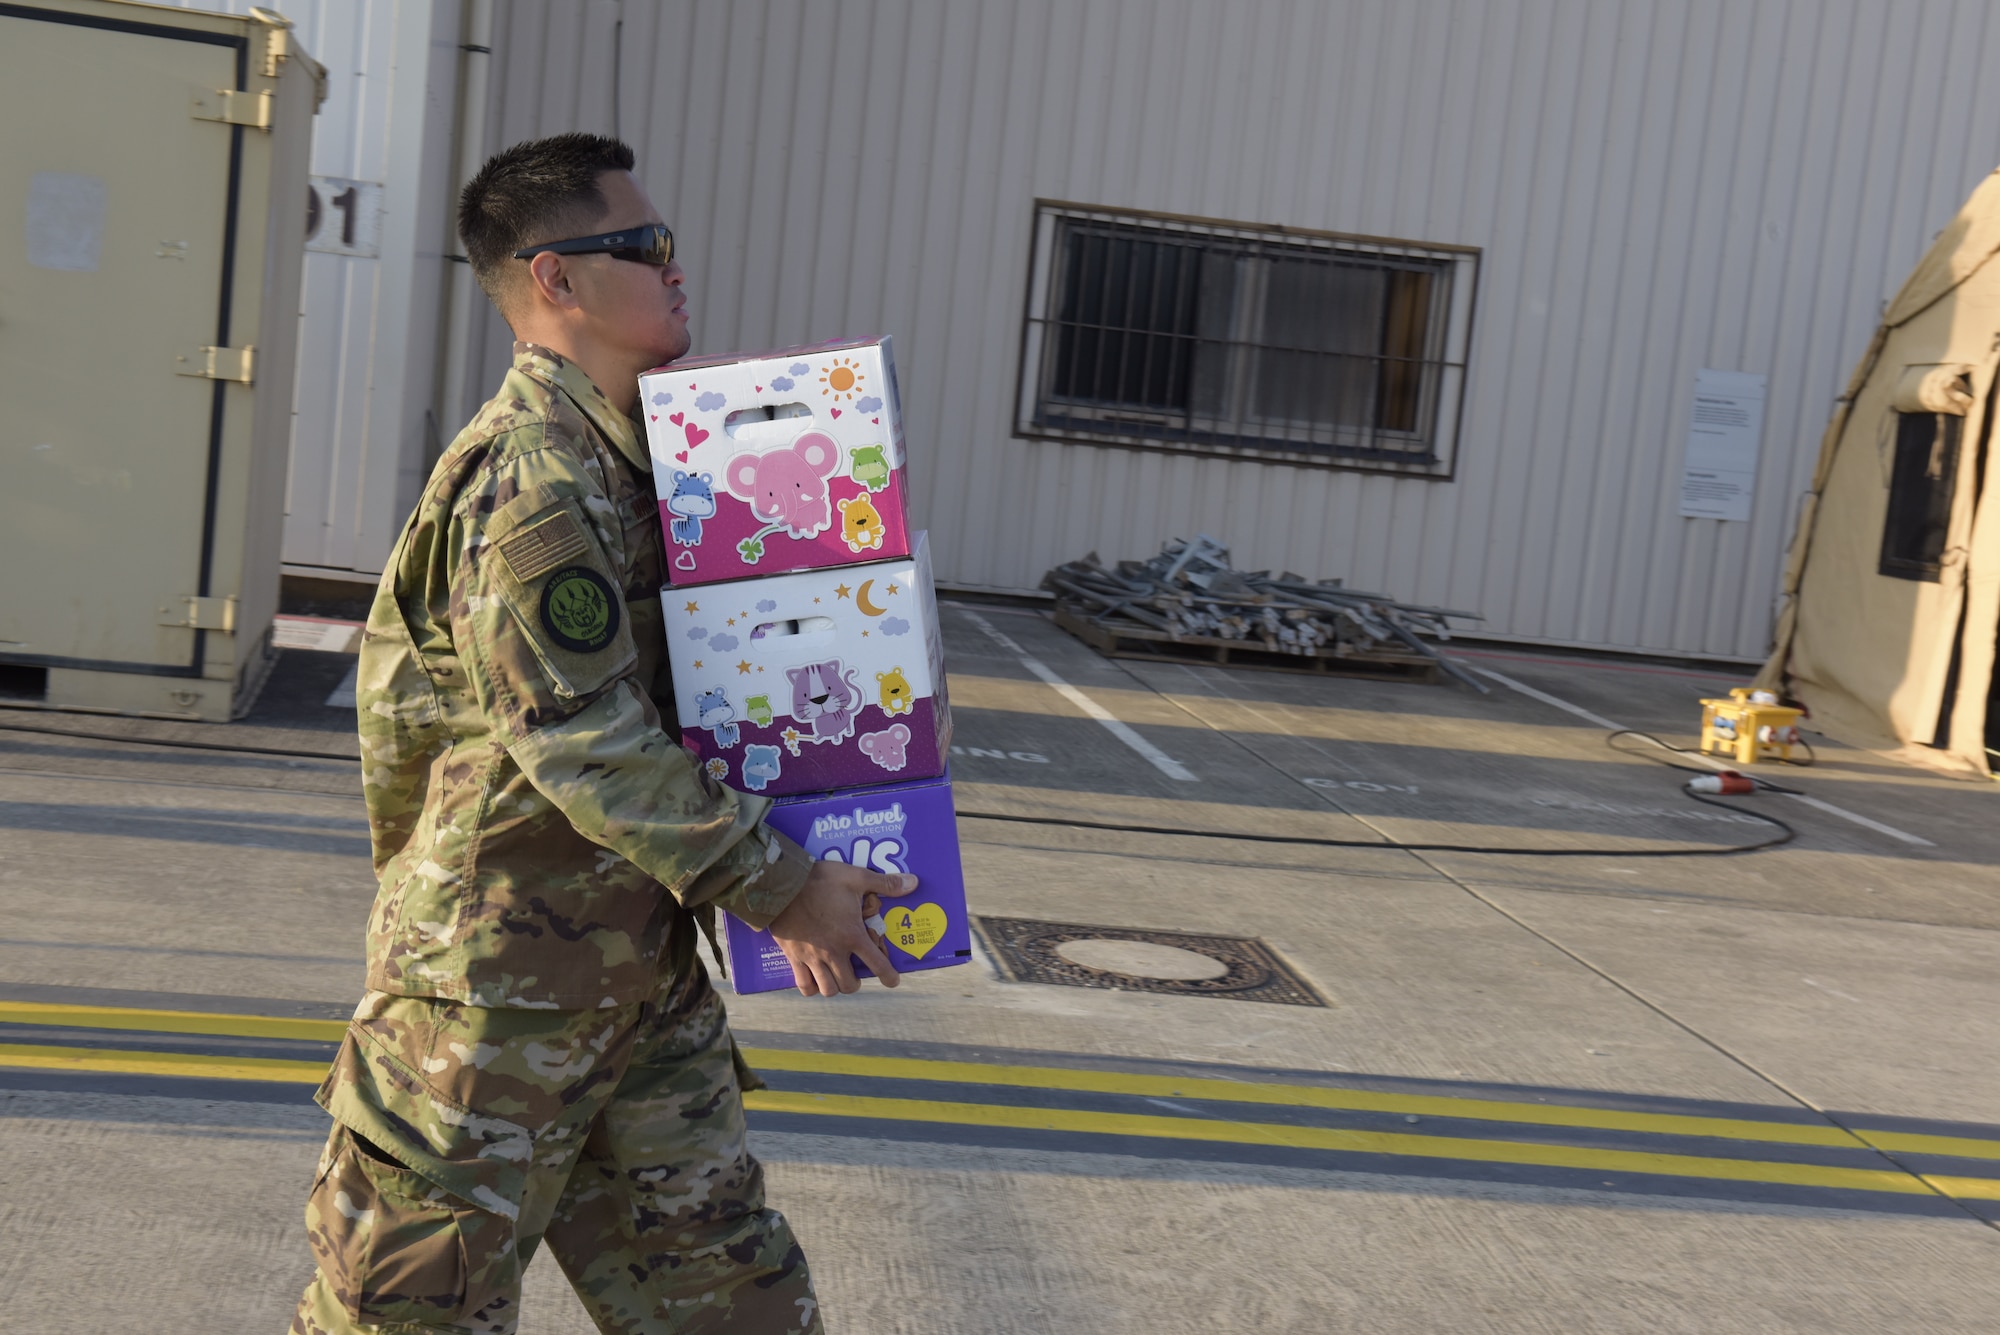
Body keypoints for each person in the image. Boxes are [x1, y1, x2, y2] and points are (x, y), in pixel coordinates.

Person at [292, 133, 911, 1335]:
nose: (676, 269)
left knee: (738, 1307)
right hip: (492, 1009)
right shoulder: (532, 482)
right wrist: (776, 886)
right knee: (408, 1318)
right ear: (554, 280)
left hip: (636, 985)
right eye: (645, 247)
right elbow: (578, 734)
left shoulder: (652, 466)